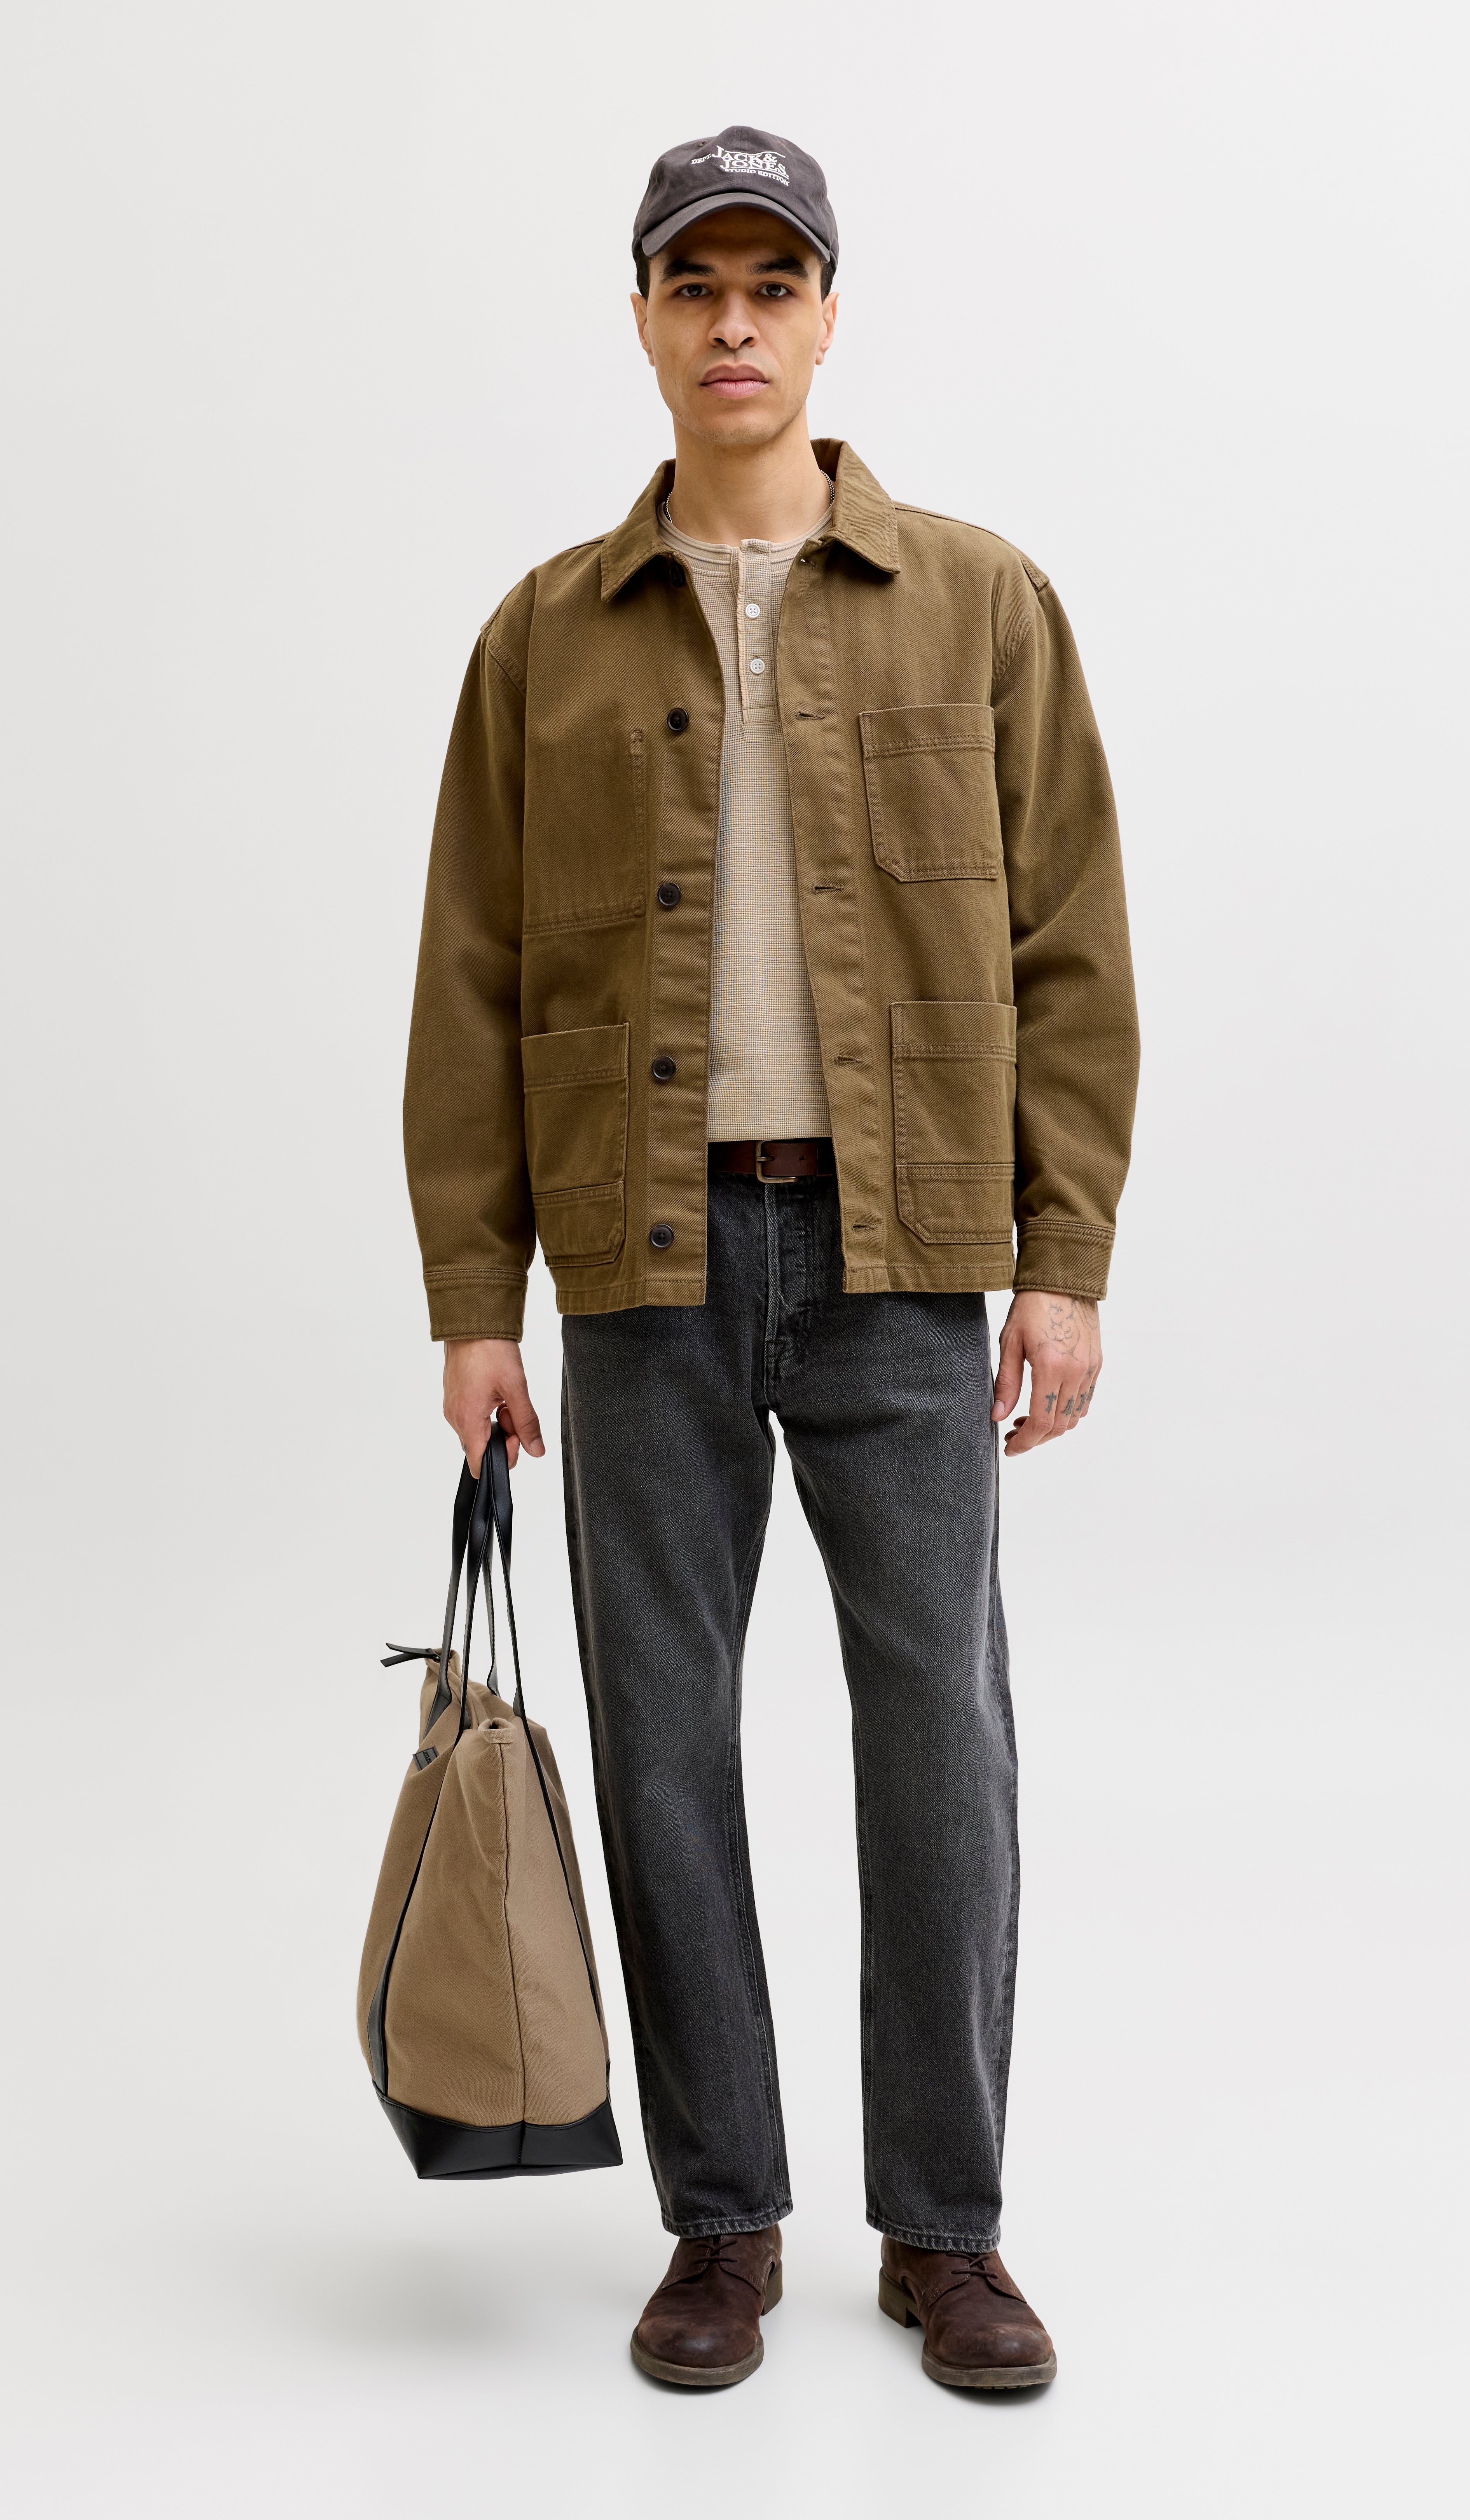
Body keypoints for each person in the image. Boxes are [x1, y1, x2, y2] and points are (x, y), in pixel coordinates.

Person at [403, 124, 1138, 2391]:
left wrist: (1064, 1253)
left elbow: (1069, 946)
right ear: (644, 319)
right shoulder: (545, 633)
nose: (734, 323)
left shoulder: (982, 602)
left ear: (826, 317)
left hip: (906, 1254)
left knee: (941, 1740)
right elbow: (470, 982)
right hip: (636, 1266)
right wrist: (472, 1298)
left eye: (772, 285)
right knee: (663, 1746)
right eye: (693, 285)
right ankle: (721, 2220)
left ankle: (947, 2230)